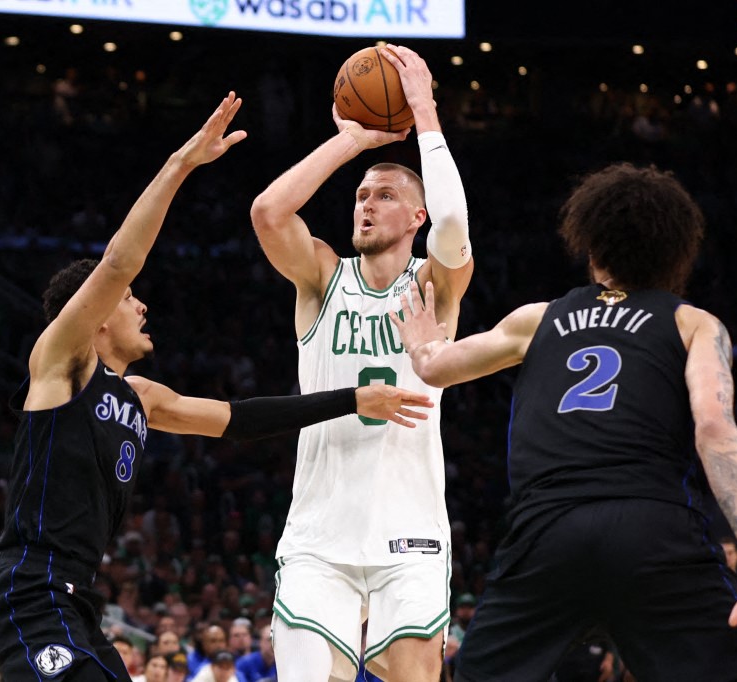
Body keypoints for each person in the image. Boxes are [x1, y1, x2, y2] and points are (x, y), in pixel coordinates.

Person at [0, 92, 432, 682]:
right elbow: (118, 263)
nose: (141, 305)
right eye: (130, 301)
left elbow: (240, 419)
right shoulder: (60, 368)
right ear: (99, 314)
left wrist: (351, 401)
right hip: (28, 590)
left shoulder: (139, 397)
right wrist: (181, 165)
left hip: (74, 600)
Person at [392, 162, 737, 681]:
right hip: (653, 528)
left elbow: (436, 368)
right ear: (674, 254)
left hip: (547, 531)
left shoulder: (538, 318)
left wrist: (422, 344)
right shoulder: (694, 323)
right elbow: (714, 427)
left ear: (592, 247)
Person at [250, 44, 473, 682]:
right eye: (359, 195)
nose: (365, 204)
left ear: (416, 216)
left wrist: (424, 112)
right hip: (321, 535)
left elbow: (455, 220)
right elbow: (268, 212)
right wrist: (350, 141)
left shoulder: (436, 283)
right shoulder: (321, 277)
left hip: (411, 532)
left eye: (382, 195)